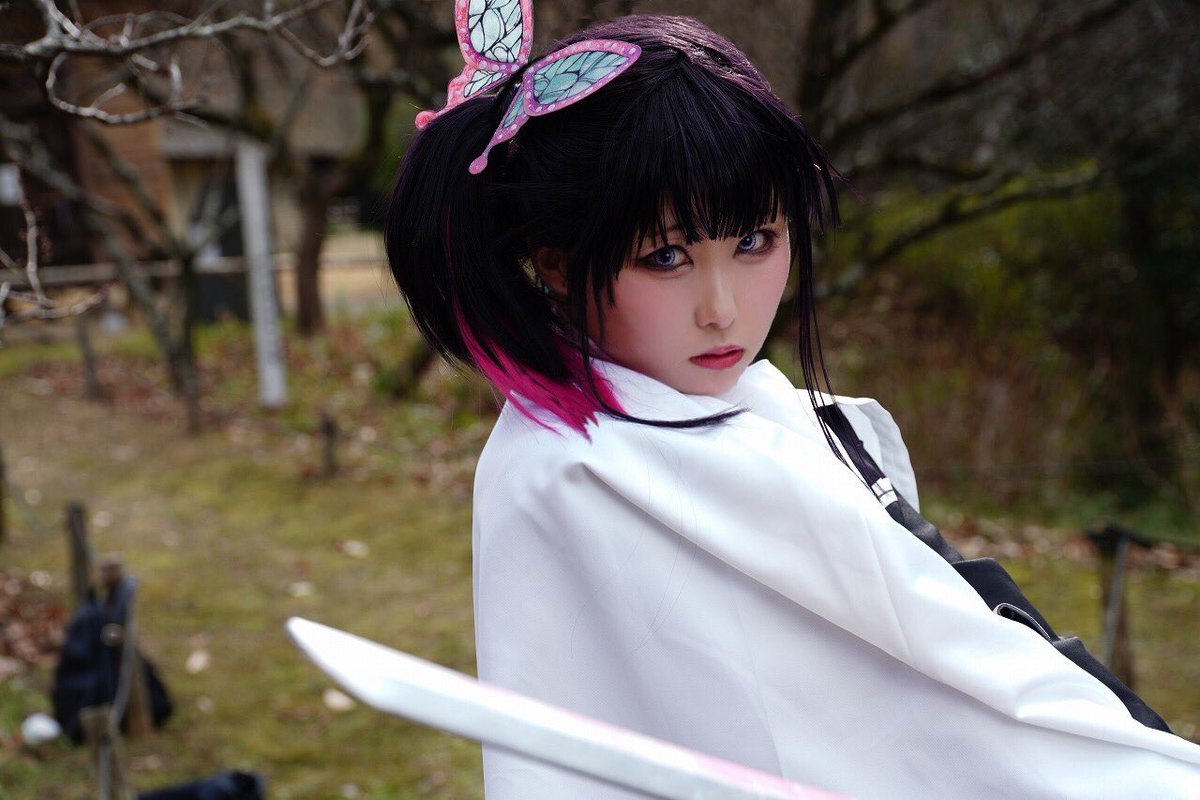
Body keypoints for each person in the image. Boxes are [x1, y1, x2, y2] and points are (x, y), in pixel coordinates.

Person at [385, 11, 1200, 799]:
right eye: (665, 257)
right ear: (557, 264)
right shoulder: (578, 471)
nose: (722, 310)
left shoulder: (731, 412)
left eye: (754, 243)